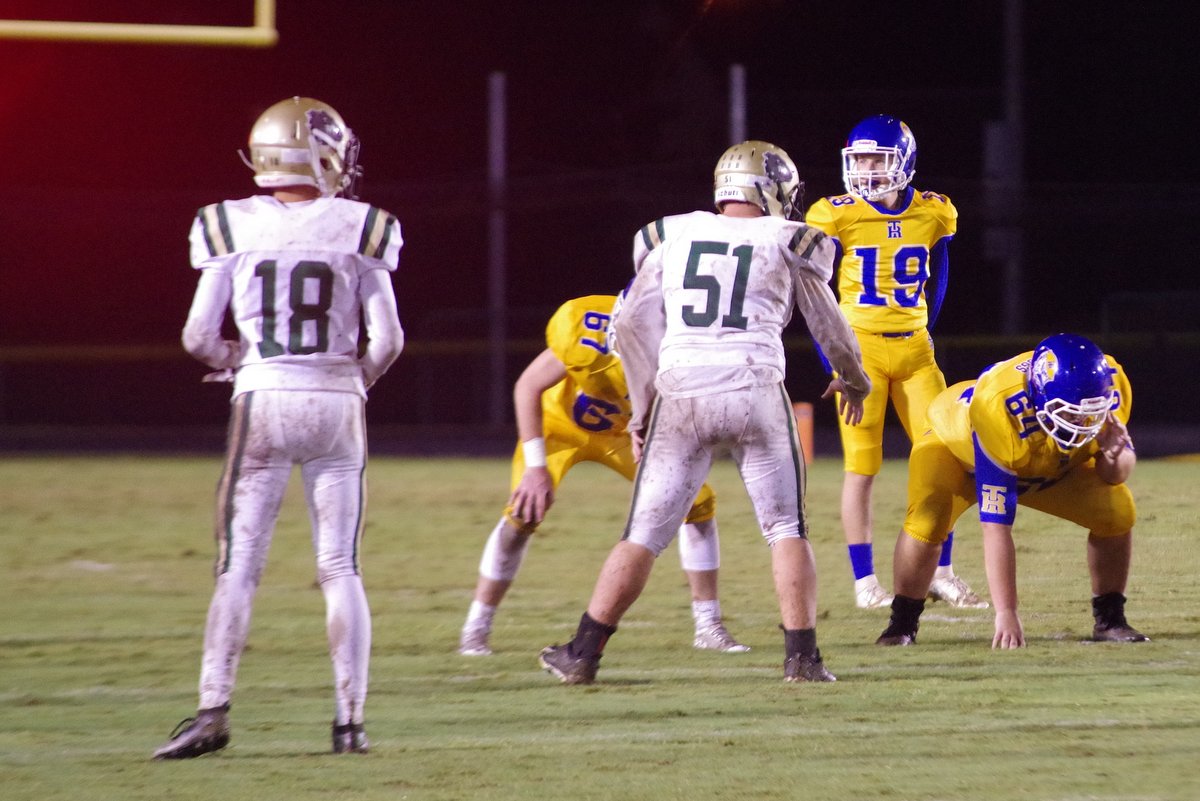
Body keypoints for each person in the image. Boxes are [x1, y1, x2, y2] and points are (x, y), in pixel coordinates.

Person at [538, 140, 870, 685]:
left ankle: (583, 652)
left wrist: (642, 409)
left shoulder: (669, 234)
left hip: (681, 389)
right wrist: (853, 379)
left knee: (643, 533)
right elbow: (827, 321)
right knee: (786, 528)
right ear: (772, 190)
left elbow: (629, 325)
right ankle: (803, 660)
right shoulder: (789, 237)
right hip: (754, 386)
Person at [152, 97, 404, 759]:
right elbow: (388, 340)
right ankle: (350, 724)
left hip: (262, 397)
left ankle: (213, 710)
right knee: (340, 565)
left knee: (239, 566)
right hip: (337, 401)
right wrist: (351, 378)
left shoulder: (227, 222)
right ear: (322, 154)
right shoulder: (364, 224)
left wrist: (241, 361)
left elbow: (198, 336)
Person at [458, 294, 749, 657]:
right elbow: (528, 386)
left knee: (697, 502)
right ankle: (476, 627)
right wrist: (535, 467)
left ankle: (708, 625)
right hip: (559, 426)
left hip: (624, 435)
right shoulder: (588, 334)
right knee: (523, 512)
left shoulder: (682, 356)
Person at [805, 114, 986, 610]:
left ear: (903, 162)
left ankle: (941, 572)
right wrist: (836, 364)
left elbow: (939, 278)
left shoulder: (934, 211)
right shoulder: (834, 214)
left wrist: (923, 328)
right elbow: (814, 295)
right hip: (859, 352)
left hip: (916, 352)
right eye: (859, 160)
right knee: (862, 467)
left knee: (946, 457)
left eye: (876, 160)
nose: (866, 170)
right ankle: (865, 583)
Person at [875, 333, 1147, 649]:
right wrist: (1006, 613)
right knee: (928, 521)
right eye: (1069, 412)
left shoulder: (1109, 386)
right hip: (956, 451)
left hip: (1044, 463)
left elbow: (1113, 476)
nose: (1081, 421)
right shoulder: (998, 408)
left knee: (1117, 511)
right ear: (1039, 396)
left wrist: (1116, 453)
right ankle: (901, 624)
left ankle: (1111, 620)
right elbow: (996, 526)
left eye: (1087, 413)